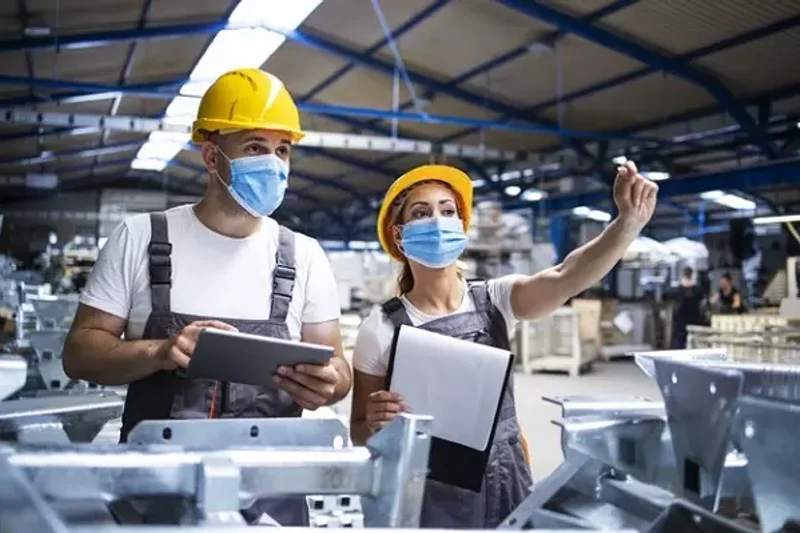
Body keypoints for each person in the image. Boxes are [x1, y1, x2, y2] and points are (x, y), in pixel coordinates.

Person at [62, 68, 351, 526]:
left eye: (283, 150)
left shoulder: (304, 256)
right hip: (154, 499)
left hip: (271, 503)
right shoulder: (141, 238)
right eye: (255, 147)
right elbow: (79, 354)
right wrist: (160, 350)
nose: (274, 163)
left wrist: (329, 384)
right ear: (212, 157)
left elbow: (338, 369)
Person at [349, 161, 658, 528]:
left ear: (461, 227)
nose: (437, 220)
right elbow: (358, 429)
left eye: (447, 211)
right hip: (425, 493)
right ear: (400, 236)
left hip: (506, 478)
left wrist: (626, 225)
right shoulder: (381, 328)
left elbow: (565, 277)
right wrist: (376, 422)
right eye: (421, 212)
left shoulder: (495, 299)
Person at [670, 266, 706, 349]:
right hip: (683, 318)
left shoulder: (695, 288)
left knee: (689, 338)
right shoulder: (682, 288)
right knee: (681, 339)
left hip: (691, 317)